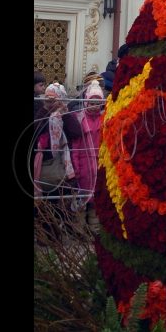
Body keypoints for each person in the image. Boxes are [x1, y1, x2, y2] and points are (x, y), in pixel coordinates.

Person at [70, 80, 105, 231]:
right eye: (92, 103)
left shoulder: (103, 119)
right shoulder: (80, 119)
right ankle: (79, 230)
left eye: (98, 103)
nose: (94, 106)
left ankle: (94, 229)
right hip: (84, 167)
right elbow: (75, 147)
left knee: (95, 200)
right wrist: (76, 168)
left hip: (98, 164)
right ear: (86, 102)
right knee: (81, 198)